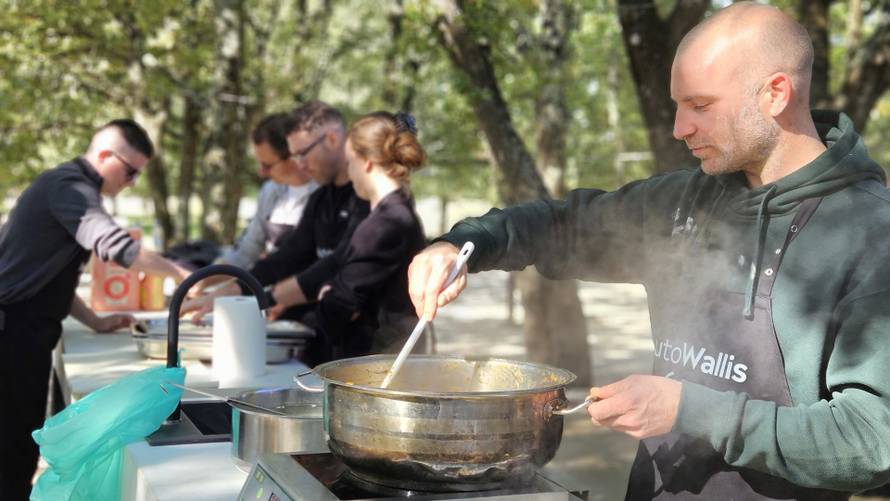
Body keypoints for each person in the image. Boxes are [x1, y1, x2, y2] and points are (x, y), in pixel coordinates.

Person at [407, 3, 890, 500]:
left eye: (700, 105)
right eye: (677, 105)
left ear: (775, 93)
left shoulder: (870, 233)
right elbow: (562, 225)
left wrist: (691, 408)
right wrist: (462, 244)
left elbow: (873, 440)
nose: (680, 128)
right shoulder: (682, 203)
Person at [0, 119, 191, 500]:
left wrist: (95, 321)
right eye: (130, 170)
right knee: (12, 452)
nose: (133, 181)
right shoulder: (69, 187)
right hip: (13, 332)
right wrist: (182, 274)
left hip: (27, 329)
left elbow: (47, 278)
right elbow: (118, 247)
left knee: (19, 446)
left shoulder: (69, 189)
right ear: (105, 155)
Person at [183, 102, 370, 331]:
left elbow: (335, 266)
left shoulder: (367, 199)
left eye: (302, 154)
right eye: (295, 156)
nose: (301, 165)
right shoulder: (321, 198)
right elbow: (285, 258)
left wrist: (267, 296)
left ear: (332, 139)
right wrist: (226, 291)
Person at [266, 111, 427, 362]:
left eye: (350, 163)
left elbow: (338, 307)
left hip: (381, 363)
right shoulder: (384, 217)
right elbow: (339, 272)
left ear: (367, 163)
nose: (349, 174)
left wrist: (328, 296)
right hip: (375, 360)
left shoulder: (388, 222)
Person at [193, 113, 317, 294]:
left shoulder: (323, 194)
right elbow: (245, 253)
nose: (261, 173)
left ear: (293, 156)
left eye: (267, 165)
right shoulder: (271, 192)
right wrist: (202, 280)